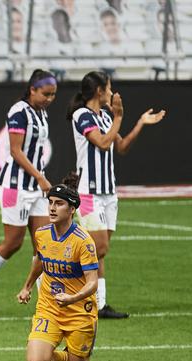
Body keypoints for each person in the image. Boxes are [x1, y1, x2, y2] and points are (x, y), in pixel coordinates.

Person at [68, 71, 165, 318]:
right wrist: (119, 117)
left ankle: (99, 305)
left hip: (108, 193)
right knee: (98, 247)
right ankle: (68, 286)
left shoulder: (103, 117)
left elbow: (119, 146)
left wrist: (140, 122)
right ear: (99, 91)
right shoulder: (82, 115)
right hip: (89, 192)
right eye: (109, 88)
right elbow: (101, 143)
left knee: (100, 251)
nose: (111, 93)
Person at [0, 70, 57, 316]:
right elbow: (16, 151)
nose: (49, 99)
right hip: (14, 185)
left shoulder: (41, 112)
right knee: (13, 242)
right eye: (45, 94)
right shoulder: (19, 111)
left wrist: (39, 178)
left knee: (44, 244)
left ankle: (45, 302)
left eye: (53, 95)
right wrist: (40, 176)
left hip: (36, 187)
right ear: (32, 90)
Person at [17, 180, 100, 361]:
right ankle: (67, 356)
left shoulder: (82, 242)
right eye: (50, 203)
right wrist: (28, 286)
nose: (52, 208)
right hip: (50, 307)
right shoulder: (42, 233)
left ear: (72, 209)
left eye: (59, 204)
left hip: (79, 313)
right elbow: (41, 259)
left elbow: (93, 282)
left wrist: (72, 297)